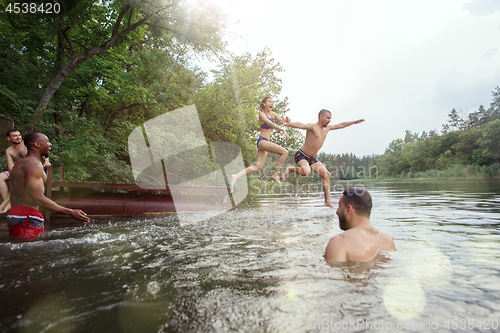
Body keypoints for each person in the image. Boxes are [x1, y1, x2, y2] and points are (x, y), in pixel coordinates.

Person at [7, 132, 89, 237]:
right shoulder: (33, 165)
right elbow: (37, 198)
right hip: (27, 216)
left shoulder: (20, 163)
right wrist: (69, 211)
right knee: (27, 252)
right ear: (37, 144)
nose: (50, 144)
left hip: (18, 213)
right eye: (47, 142)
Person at [281, 109, 364, 207]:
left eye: (330, 118)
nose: (329, 120)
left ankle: (327, 201)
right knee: (306, 172)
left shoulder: (328, 128)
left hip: (312, 158)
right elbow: (301, 125)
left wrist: (354, 122)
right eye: (328, 118)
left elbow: (341, 125)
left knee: (326, 174)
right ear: (321, 117)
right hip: (302, 155)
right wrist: (289, 124)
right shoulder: (312, 127)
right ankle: (291, 169)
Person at [230, 97, 290, 190]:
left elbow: (282, 121)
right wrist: (282, 130)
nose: (272, 104)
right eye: (269, 102)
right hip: (262, 141)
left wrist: (287, 123)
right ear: (264, 104)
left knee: (258, 167)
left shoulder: (273, 114)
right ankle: (276, 174)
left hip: (265, 143)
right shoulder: (261, 114)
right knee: (285, 152)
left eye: (272, 102)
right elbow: (271, 124)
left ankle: (236, 176)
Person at [324, 188, 396, 262]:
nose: (337, 212)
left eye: (339, 206)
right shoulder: (387, 240)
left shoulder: (339, 242)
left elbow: (332, 272)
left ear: (348, 210)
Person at [0, 129, 50, 213]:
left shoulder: (27, 145)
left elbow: (41, 150)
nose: (18, 137)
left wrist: (46, 161)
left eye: (19, 135)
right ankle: (8, 201)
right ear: (9, 138)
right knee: (1, 177)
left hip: (32, 170)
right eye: (15, 136)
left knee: (22, 181)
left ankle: (5, 204)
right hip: (18, 170)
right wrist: (14, 174)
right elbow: (10, 166)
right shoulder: (9, 150)